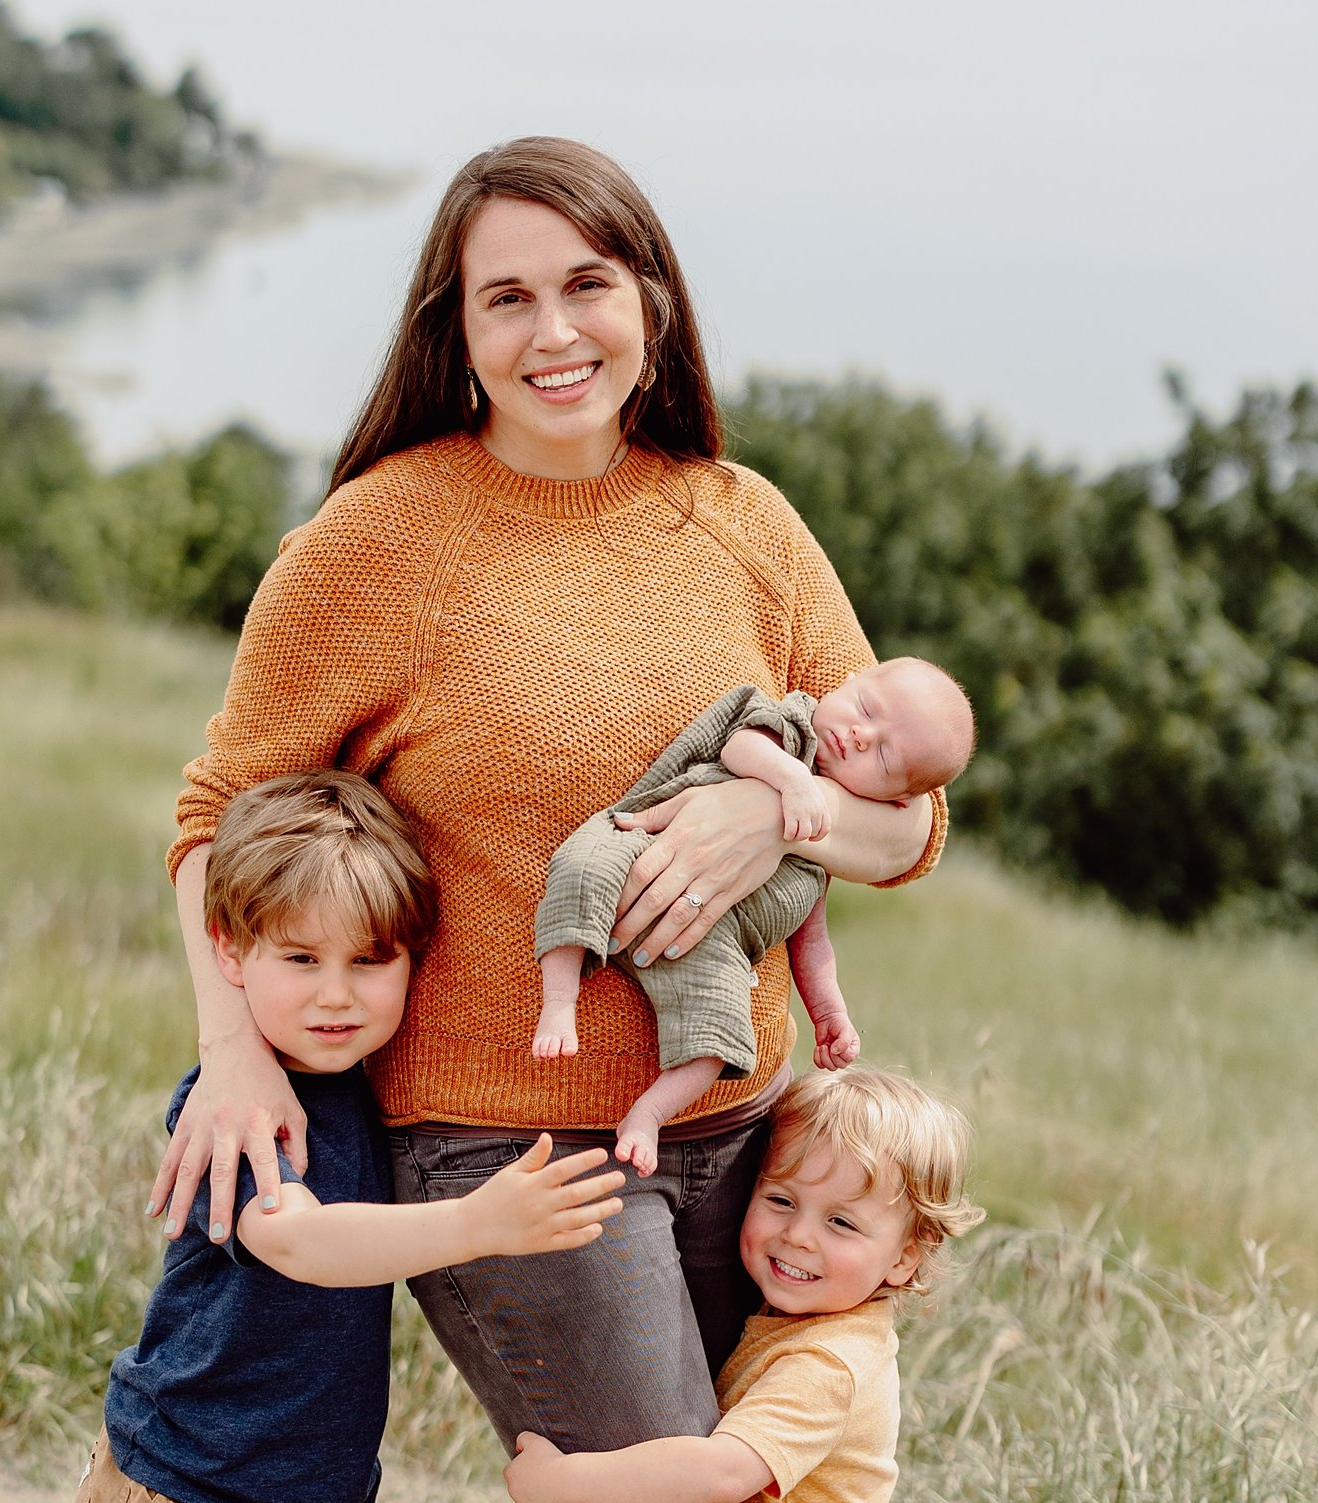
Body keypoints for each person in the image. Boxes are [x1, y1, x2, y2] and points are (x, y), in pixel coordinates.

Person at [152, 135, 948, 1456]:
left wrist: (771, 815)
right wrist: (234, 1047)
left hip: (753, 1132)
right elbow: (215, 808)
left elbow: (913, 822)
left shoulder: (743, 521)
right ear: (456, 332)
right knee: (660, 1480)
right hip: (511, 1141)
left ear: (654, 304)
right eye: (506, 298)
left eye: (588, 284)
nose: (555, 331)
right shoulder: (374, 537)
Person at [82, 771, 625, 1503]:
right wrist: (476, 1221)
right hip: (184, 1473)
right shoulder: (239, 1107)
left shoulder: (371, 1090)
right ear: (231, 951)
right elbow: (297, 1239)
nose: (335, 993)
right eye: (302, 958)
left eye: (368, 960)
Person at [533, 658, 974, 1174]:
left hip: (700, 943)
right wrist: (790, 781)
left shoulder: (823, 849)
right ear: (847, 681)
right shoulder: (791, 725)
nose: (858, 734)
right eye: (865, 708)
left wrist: (829, 1014)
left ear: (895, 800)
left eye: (881, 753)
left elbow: (813, 944)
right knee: (582, 868)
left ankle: (648, 1115)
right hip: (641, 841)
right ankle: (559, 1003)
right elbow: (739, 746)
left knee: (720, 1033)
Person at [502, 1065, 986, 1503]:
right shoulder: (804, 1318)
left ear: (903, 1259)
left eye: (841, 1223)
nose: (797, 1236)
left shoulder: (832, 1366)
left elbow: (724, 1474)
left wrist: (561, 1484)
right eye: (781, 1200)